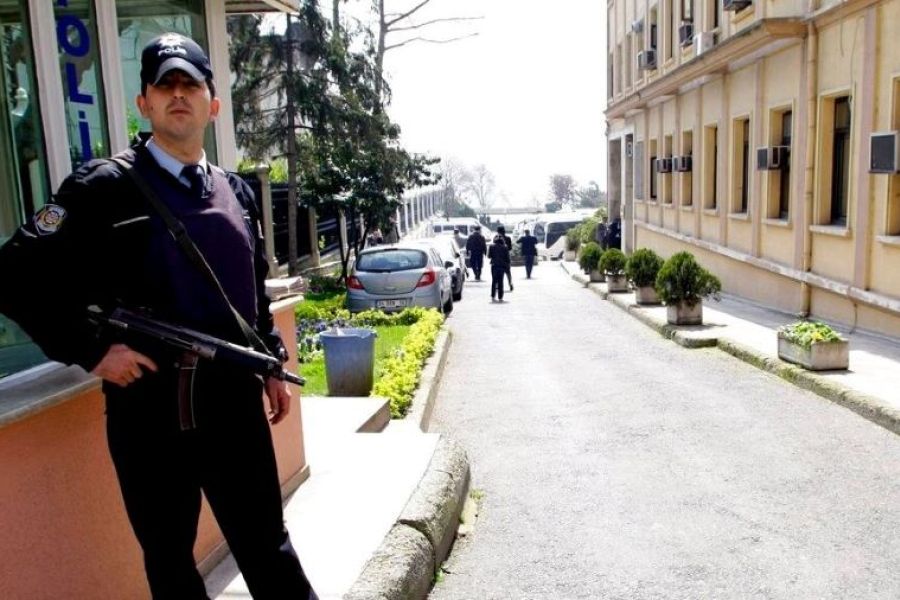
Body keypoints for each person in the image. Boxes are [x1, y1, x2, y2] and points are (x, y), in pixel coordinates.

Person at [0, 33, 318, 600]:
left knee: (269, 549)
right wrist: (91, 349)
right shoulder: (103, 188)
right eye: (164, 84)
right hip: (148, 411)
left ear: (211, 104)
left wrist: (271, 360)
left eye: (189, 84)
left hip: (232, 405)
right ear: (143, 102)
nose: (177, 94)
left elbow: (252, 295)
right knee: (170, 564)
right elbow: (14, 275)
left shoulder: (236, 192)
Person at [488, 233, 510, 302]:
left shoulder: (491, 246)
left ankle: (493, 295)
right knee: (501, 281)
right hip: (502, 266)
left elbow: (489, 256)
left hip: (494, 265)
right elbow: (507, 258)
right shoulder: (505, 247)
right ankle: (500, 297)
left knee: (494, 281)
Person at [496, 225, 514, 291]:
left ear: (498, 231)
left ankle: (497, 285)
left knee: (498, 273)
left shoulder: (495, 238)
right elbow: (510, 248)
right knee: (508, 272)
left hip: (498, 258)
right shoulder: (508, 238)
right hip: (506, 258)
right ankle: (510, 283)